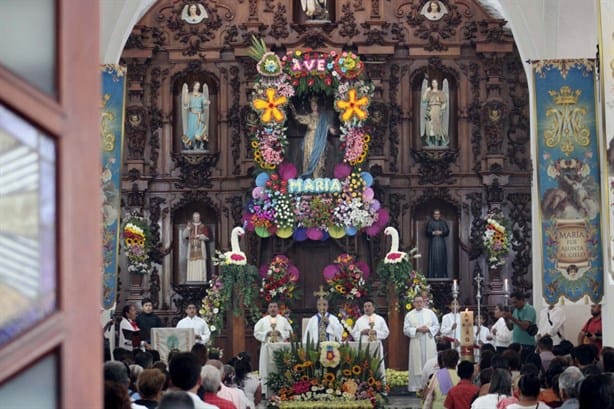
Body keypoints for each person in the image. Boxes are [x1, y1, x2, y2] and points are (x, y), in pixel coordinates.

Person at [290, 97, 336, 178]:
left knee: (319, 156)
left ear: (318, 106)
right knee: (309, 155)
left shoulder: (323, 117)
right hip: (309, 139)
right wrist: (295, 114)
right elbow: (300, 118)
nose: (313, 107)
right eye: (312, 105)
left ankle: (318, 176)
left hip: (319, 139)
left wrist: (331, 129)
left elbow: (327, 125)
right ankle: (307, 176)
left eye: (315, 105)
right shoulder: (309, 116)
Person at [253, 302, 292, 394]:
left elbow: (290, 332)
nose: (272, 309)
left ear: (278, 309)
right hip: (267, 348)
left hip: (280, 348)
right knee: (266, 368)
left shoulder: (283, 320)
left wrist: (280, 333)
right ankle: (265, 390)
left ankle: (283, 390)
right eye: (270, 307)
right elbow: (256, 333)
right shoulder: (263, 321)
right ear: (268, 309)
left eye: (274, 307)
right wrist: (265, 334)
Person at [403, 295, 440, 392]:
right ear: (413, 303)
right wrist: (417, 329)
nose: (419, 303)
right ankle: (416, 386)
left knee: (429, 362)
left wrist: (428, 329)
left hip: (428, 340)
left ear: (423, 302)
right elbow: (405, 329)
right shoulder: (409, 315)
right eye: (417, 302)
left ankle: (430, 385)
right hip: (416, 341)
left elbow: (436, 326)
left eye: (420, 301)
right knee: (416, 364)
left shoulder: (430, 313)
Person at [351, 299, 390, 378]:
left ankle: (379, 384)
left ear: (373, 308)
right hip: (363, 347)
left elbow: (386, 332)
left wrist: (375, 332)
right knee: (364, 366)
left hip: (376, 346)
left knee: (377, 366)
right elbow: (354, 334)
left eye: (369, 306)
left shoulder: (380, 319)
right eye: (365, 306)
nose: (367, 308)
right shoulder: (359, 320)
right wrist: (362, 332)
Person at [181, 81, 210, 150]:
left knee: (200, 131)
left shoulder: (201, 95)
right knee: (191, 129)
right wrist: (185, 93)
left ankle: (199, 145)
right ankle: (188, 144)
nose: (198, 87)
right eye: (196, 86)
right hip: (192, 115)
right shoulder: (189, 95)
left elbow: (204, 102)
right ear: (193, 86)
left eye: (199, 86)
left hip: (200, 115)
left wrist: (207, 102)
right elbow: (185, 103)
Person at [421, 78, 449, 146]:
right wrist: (426, 91)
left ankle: (438, 141)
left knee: (437, 125)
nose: (434, 84)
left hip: (437, 110)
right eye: (433, 83)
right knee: (430, 126)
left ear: (437, 83)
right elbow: (424, 100)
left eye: (435, 83)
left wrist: (442, 110)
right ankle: (430, 141)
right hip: (430, 110)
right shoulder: (429, 92)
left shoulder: (440, 93)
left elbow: (444, 103)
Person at [183, 212, 209, 282]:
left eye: (197, 217)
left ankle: (201, 280)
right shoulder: (190, 225)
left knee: (200, 264)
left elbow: (207, 237)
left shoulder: (203, 226)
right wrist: (187, 229)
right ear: (193, 218)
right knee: (192, 265)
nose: (196, 218)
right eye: (195, 217)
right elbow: (184, 235)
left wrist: (200, 236)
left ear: (199, 217)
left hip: (201, 248)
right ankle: (191, 280)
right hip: (191, 248)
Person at [425, 209, 450, 278]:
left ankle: (442, 275)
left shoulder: (443, 222)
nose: (436, 215)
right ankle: (432, 275)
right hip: (433, 242)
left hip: (441, 242)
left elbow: (447, 232)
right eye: (435, 214)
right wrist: (433, 233)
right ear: (433, 215)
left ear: (440, 215)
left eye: (438, 214)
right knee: (433, 258)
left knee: (441, 258)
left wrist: (441, 232)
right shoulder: (430, 222)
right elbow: (427, 232)